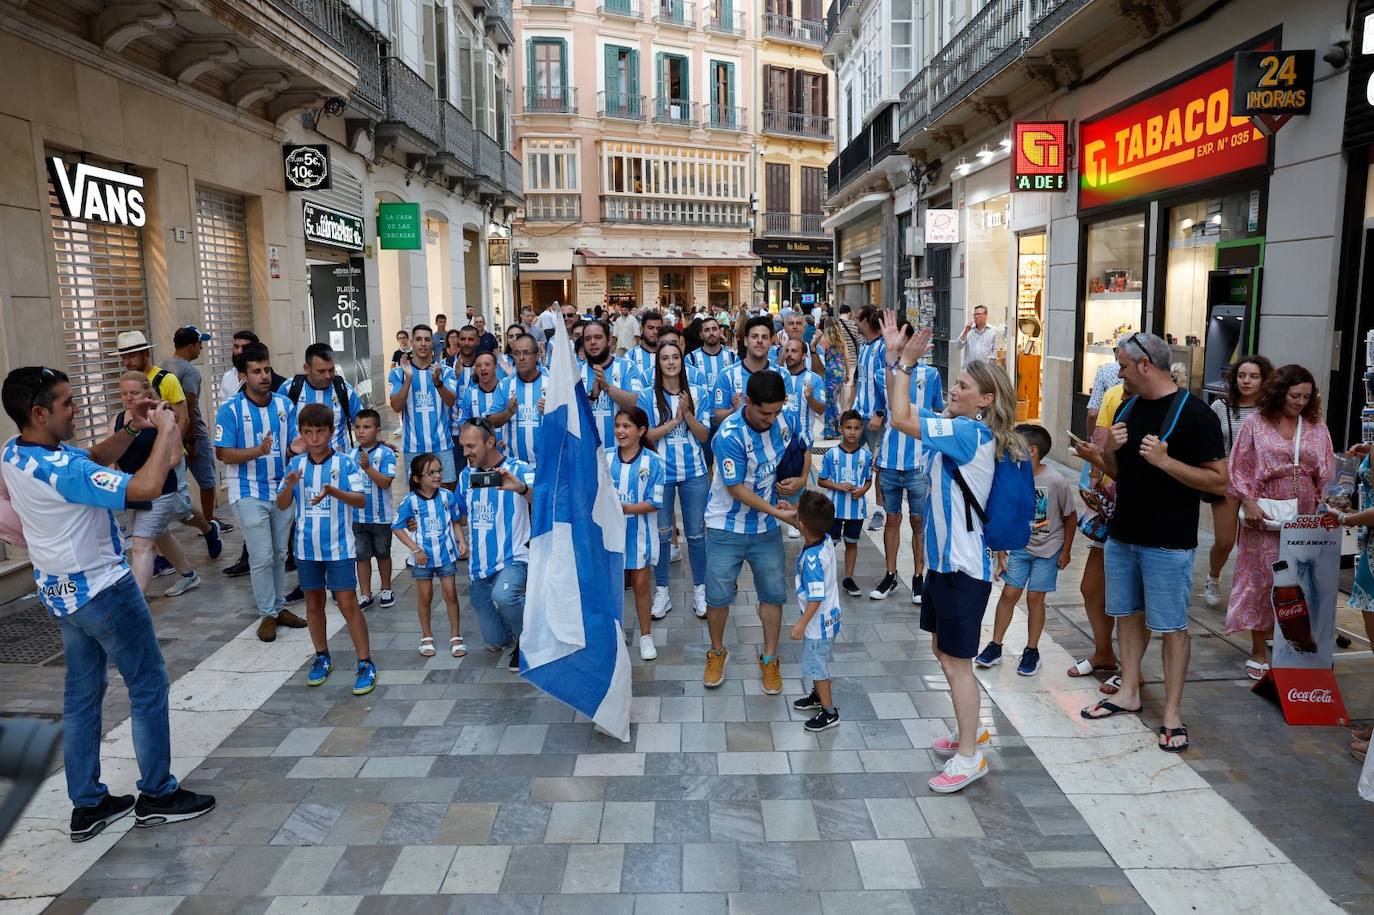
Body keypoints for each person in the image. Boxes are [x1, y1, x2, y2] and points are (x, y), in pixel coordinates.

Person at [2, 366, 215, 839]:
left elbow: (94, 457)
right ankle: (158, 793)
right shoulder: (65, 471)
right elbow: (142, 489)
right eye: (67, 404)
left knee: (81, 697)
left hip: (61, 592)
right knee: (148, 685)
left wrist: (132, 427)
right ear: (38, 413)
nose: (76, 409)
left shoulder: (16, 454)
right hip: (104, 590)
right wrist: (165, 430)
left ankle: (89, 804)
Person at [879, 309, 1026, 793]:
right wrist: (892, 358)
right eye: (956, 382)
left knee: (957, 661)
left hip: (963, 569)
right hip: (945, 566)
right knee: (944, 652)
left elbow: (900, 417)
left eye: (963, 385)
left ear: (986, 399)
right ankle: (971, 729)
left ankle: (970, 756)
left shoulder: (970, 435)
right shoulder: (955, 425)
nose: (955, 390)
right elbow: (902, 410)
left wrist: (905, 364)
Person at [1071, 332, 1227, 754]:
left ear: (1144, 364)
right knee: (1127, 615)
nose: (1117, 372)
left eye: (1122, 365)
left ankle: (1173, 713)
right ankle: (1130, 691)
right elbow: (1123, 474)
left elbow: (1218, 481)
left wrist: (1166, 460)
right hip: (1124, 534)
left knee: (1172, 627)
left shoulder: (1196, 415)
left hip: (1169, 541)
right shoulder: (1128, 406)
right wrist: (1102, 456)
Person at [1226, 364, 1333, 678]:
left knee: (1298, 583)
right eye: (1294, 395)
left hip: (1305, 511)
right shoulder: (1256, 425)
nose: (1300, 402)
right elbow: (1239, 467)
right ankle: (1258, 651)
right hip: (1266, 511)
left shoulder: (1315, 426)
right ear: (1279, 391)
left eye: (1306, 396)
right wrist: (1248, 500)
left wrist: (1325, 508)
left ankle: (1290, 643)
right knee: (1262, 580)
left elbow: (1326, 470)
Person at [702, 370, 803, 694]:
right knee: (717, 597)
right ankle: (717, 652)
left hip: (765, 528)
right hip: (725, 526)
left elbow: (802, 451)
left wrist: (800, 481)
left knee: (773, 593)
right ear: (747, 403)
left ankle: (770, 658)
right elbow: (735, 488)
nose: (771, 420)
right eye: (764, 413)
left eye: (776, 411)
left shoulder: (785, 420)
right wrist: (780, 512)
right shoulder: (728, 434)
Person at [276, 404, 377, 694]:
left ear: (331, 432)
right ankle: (321, 656)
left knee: (347, 603)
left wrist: (333, 492)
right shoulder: (295, 466)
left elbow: (360, 500)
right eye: (308, 432)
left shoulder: (345, 464)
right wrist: (288, 488)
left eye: (320, 431)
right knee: (313, 604)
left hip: (339, 549)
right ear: (302, 434)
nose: (315, 438)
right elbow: (282, 505)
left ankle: (365, 662)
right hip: (306, 550)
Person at [215, 342, 308, 642]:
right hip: (247, 491)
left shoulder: (285, 405)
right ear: (243, 376)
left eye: (266, 369)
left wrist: (298, 450)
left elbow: (295, 442)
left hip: (281, 490)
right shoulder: (230, 410)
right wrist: (258, 450)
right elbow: (224, 454)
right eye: (256, 371)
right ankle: (267, 613)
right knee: (262, 554)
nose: (264, 376)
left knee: (281, 553)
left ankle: (278, 607)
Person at [975, 425, 1077, 676]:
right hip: (1020, 547)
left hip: (1049, 549)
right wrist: (1001, 552)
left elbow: (1071, 517)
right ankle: (995, 645)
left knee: (1035, 599)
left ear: (1031, 451)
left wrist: (1066, 551)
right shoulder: (1012, 477)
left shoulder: (1055, 481)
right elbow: (1005, 514)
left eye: (1013, 447)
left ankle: (1031, 650)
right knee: (1009, 594)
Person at [110, 373, 201, 599]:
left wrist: (150, 475)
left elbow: (175, 457)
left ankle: (135, 601)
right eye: (125, 393)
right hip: (133, 491)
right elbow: (111, 452)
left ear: (147, 392)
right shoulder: (118, 419)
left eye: (135, 393)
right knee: (160, 535)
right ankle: (189, 575)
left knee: (141, 543)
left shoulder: (163, 417)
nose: (129, 398)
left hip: (161, 490)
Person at [456, 419, 535, 671]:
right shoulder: (466, 475)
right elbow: (457, 511)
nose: (465, 452)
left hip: (514, 558)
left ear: (490, 442)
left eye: (471, 446)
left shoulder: (520, 469)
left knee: (504, 596)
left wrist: (521, 489)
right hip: (479, 569)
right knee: (495, 640)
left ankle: (530, 641)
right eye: (462, 446)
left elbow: (545, 501)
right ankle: (517, 628)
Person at [641, 341, 711, 619]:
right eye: (665, 358)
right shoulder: (648, 395)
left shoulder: (698, 392)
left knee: (695, 534)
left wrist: (688, 414)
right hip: (661, 475)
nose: (671, 362)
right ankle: (662, 592)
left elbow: (704, 435)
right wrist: (675, 420)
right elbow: (646, 436)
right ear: (658, 364)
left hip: (694, 472)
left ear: (682, 362)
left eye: (675, 357)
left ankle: (701, 590)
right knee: (661, 535)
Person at [871, 325, 942, 600]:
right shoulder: (882, 374)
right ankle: (890, 575)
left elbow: (934, 413)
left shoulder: (931, 374)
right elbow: (883, 413)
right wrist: (877, 450)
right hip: (890, 460)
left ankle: (918, 576)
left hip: (919, 463)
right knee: (891, 518)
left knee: (918, 521)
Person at [1204, 356, 1274, 608]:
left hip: (1258, 484)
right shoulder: (1221, 407)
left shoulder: (1269, 411)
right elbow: (1210, 444)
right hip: (1227, 481)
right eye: (1242, 375)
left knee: (1251, 544)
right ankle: (1213, 577)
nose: (1246, 381)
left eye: (1253, 376)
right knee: (1224, 541)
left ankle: (1246, 590)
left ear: (1264, 380)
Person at [392, 453, 469, 659]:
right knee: (425, 597)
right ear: (417, 478)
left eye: (438, 471)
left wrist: (461, 540)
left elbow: (455, 521)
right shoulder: (409, 501)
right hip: (423, 559)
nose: (437, 476)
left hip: (446, 555)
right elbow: (397, 527)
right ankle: (426, 636)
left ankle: (455, 636)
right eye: (430, 473)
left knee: (451, 594)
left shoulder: (447, 496)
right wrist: (416, 550)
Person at [610, 406, 666, 660]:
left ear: (641, 430)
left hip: (640, 535)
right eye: (618, 426)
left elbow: (655, 502)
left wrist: (623, 508)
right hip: (610, 537)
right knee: (613, 585)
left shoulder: (653, 462)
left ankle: (645, 637)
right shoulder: (605, 458)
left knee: (641, 584)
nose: (620, 431)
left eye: (627, 426)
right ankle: (615, 633)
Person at [789, 490, 843, 732]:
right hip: (831, 617)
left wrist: (801, 623)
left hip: (817, 624)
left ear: (801, 523)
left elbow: (816, 595)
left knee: (817, 666)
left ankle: (829, 711)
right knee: (816, 661)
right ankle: (817, 695)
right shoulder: (825, 538)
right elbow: (806, 522)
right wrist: (792, 512)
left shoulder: (812, 559)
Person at [164, 325, 225, 537]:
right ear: (190, 346)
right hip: (192, 433)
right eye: (200, 343)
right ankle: (209, 524)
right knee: (208, 480)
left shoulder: (163, 365)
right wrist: (191, 440)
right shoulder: (190, 371)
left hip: (169, 433)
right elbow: (189, 405)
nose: (201, 347)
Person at [388, 324, 460, 487]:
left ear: (432, 343)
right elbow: (396, 407)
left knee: (445, 497)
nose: (423, 344)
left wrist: (438, 382)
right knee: (418, 501)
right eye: (418, 339)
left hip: (442, 446)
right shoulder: (398, 373)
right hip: (413, 448)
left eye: (427, 339)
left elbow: (451, 401)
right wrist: (408, 380)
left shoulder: (445, 371)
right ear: (412, 342)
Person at [817, 410, 874, 597]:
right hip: (834, 509)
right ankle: (823, 576)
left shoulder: (866, 456)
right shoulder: (831, 455)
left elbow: (868, 480)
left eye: (856, 428)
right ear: (841, 429)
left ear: (861, 430)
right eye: (848, 428)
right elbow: (822, 480)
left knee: (851, 543)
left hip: (855, 511)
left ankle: (848, 579)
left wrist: (863, 490)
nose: (852, 432)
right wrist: (839, 486)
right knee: (829, 543)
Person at [348, 409, 397, 611]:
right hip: (357, 517)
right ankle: (365, 593)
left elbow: (385, 482)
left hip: (380, 517)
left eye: (366, 427)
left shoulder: (386, 453)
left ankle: (386, 588)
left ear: (377, 430)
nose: (361, 432)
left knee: (383, 554)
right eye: (357, 427)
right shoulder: (351, 454)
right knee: (362, 556)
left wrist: (368, 468)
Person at [779, 337, 825, 539]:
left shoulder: (814, 379)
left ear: (804, 355)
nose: (789, 355)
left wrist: (810, 398)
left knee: (797, 477)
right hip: (778, 436)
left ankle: (796, 516)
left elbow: (821, 409)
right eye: (787, 351)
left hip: (803, 439)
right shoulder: (777, 376)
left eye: (794, 351)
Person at [279, 343, 363, 453]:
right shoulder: (290, 388)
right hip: (301, 465)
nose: (328, 376)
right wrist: (289, 451)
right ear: (307, 368)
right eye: (321, 371)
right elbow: (277, 427)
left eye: (331, 370)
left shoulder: (344, 390)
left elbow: (363, 422)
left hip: (338, 465)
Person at [580, 320, 645, 451]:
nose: (592, 342)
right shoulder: (574, 372)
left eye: (598, 337)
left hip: (622, 456)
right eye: (588, 339)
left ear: (609, 340)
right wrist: (592, 397)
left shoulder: (627, 367)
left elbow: (638, 404)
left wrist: (608, 388)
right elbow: (571, 415)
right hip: (587, 454)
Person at [853, 308, 887, 531]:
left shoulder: (883, 348)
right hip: (859, 413)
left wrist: (880, 413)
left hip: (875, 418)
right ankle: (853, 503)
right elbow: (860, 379)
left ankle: (879, 511)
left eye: (858, 319)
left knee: (878, 466)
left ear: (865, 322)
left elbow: (888, 382)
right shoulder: (864, 346)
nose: (856, 322)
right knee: (852, 459)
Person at [488, 333, 545, 467]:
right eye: (517, 353)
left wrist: (552, 413)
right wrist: (508, 412)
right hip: (514, 465)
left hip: (547, 465)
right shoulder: (505, 385)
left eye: (526, 353)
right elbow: (491, 422)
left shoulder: (553, 382)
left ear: (537, 356)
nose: (521, 358)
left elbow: (569, 421)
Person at [712, 316, 775, 424]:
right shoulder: (727, 375)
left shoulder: (781, 375)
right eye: (754, 336)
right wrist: (735, 410)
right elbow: (717, 418)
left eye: (764, 337)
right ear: (746, 341)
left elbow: (788, 414)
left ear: (770, 342)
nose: (759, 341)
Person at [816, 318, 852, 439]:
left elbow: (821, 357)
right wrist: (847, 373)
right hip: (840, 371)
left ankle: (837, 427)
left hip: (828, 372)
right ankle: (832, 429)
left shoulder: (823, 340)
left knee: (829, 402)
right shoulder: (842, 340)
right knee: (832, 400)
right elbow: (847, 358)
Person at [685, 316, 738, 393]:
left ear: (720, 332)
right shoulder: (691, 359)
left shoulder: (732, 357)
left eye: (714, 329)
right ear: (701, 335)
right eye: (707, 330)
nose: (711, 333)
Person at [625, 309, 663, 380]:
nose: (655, 332)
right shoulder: (630, 356)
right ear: (641, 330)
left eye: (658, 328)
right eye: (650, 328)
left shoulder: (668, 355)